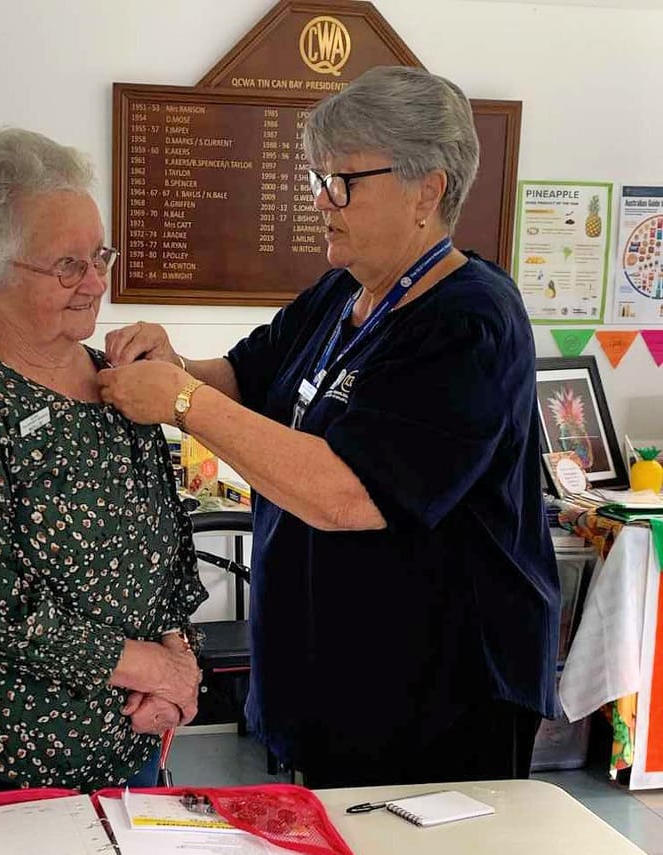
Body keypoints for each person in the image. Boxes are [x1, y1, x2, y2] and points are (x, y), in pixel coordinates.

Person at [97, 65, 560, 789]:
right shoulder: (345, 288)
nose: (321, 200)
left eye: (343, 182)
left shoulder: (469, 323)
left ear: (427, 190)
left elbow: (350, 494)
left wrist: (182, 401)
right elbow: (246, 378)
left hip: (437, 697)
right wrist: (174, 363)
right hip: (334, 684)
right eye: (318, 179)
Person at [0, 128, 206, 801]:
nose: (95, 283)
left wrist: (179, 665)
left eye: (99, 256)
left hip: (126, 736)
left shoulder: (121, 381)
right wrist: (149, 666)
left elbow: (167, 545)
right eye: (66, 265)